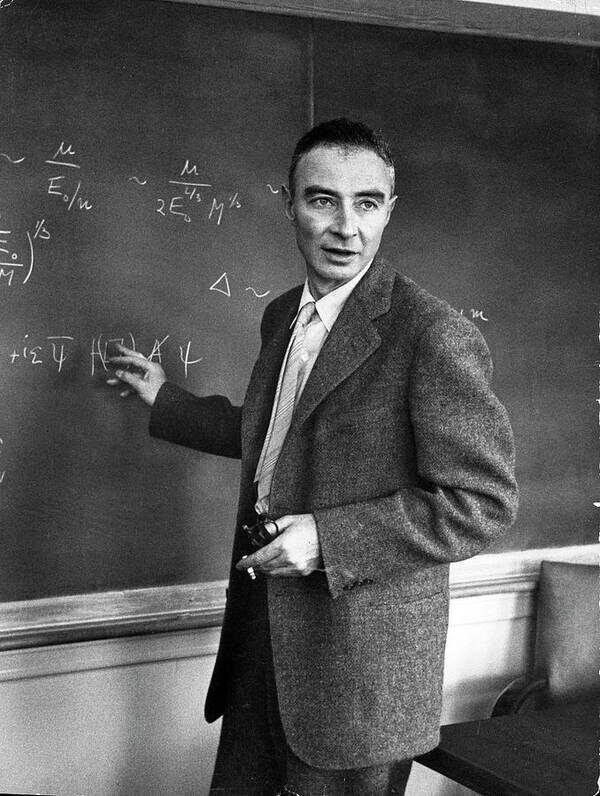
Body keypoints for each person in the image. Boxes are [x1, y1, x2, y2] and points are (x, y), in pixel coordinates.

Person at [108, 118, 518, 796]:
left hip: (357, 678)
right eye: (323, 200)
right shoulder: (282, 316)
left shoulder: (432, 334)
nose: (346, 228)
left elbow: (482, 503)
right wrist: (166, 401)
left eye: (367, 203)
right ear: (289, 204)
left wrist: (327, 540)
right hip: (259, 645)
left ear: (390, 210)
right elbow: (278, 434)